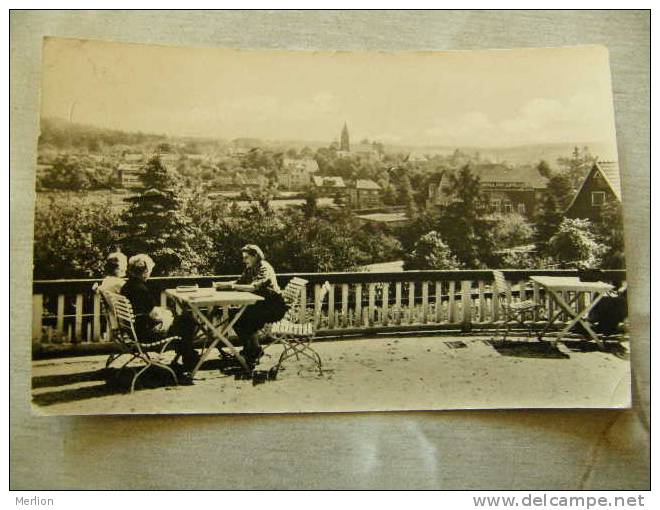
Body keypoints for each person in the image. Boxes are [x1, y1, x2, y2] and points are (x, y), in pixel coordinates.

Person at [121, 254, 200, 374]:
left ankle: (188, 355)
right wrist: (168, 316)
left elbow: (146, 311)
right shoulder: (141, 289)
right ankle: (190, 359)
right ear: (145, 271)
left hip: (135, 331)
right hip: (147, 334)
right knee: (187, 320)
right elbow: (155, 316)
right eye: (150, 271)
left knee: (182, 321)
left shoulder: (127, 286)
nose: (150, 273)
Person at [221, 244, 287, 366]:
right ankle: (252, 350)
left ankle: (253, 352)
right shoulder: (249, 268)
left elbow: (253, 287)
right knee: (234, 316)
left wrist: (232, 286)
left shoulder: (264, 268)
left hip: (273, 307)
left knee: (242, 318)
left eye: (246, 257)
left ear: (255, 256)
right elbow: (238, 282)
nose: (244, 260)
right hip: (260, 305)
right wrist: (222, 285)